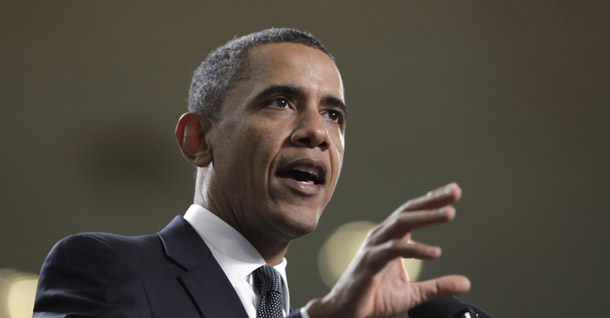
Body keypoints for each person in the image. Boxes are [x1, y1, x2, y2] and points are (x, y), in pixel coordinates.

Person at [33, 28, 489, 318]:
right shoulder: (106, 268)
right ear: (198, 139)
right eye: (281, 103)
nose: (317, 132)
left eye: (334, 115)